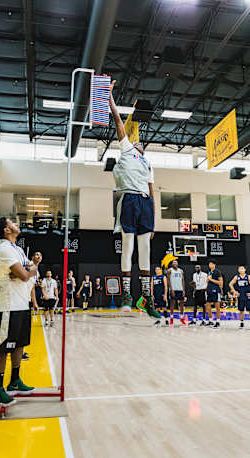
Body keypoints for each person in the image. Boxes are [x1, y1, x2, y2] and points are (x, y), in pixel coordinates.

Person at [109, 79, 159, 318]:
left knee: (146, 249)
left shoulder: (148, 163)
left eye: (141, 143)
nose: (139, 142)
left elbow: (152, 191)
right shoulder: (127, 149)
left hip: (145, 203)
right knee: (128, 246)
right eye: (136, 140)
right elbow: (118, 121)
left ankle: (147, 298)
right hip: (128, 198)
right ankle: (127, 294)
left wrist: (154, 221)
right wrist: (109, 97)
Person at [0, 217, 38, 408]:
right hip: (9, 306)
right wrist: (28, 270)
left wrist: (28, 268)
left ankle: (15, 381)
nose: (16, 223)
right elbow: (26, 274)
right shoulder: (3, 249)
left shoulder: (17, 249)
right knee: (4, 348)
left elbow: (25, 271)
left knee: (20, 345)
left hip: (22, 304)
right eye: (12, 222)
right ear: (6, 230)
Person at [167, 260, 186, 326]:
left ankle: (181, 318)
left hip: (180, 289)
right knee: (172, 303)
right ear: (172, 264)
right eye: (173, 263)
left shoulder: (181, 270)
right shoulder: (170, 270)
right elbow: (168, 280)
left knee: (181, 304)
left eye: (176, 262)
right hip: (173, 289)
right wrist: (171, 289)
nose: (175, 263)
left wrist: (183, 290)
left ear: (178, 264)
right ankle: (171, 318)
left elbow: (183, 280)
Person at [206, 260, 223, 329]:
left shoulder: (217, 271)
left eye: (211, 264)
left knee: (217, 306)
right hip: (209, 290)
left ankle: (218, 322)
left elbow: (221, 282)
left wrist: (211, 280)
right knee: (207, 305)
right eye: (209, 264)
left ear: (214, 265)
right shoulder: (209, 272)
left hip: (216, 290)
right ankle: (210, 320)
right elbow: (208, 280)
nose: (210, 265)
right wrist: (207, 280)